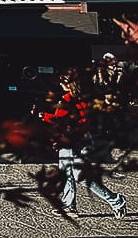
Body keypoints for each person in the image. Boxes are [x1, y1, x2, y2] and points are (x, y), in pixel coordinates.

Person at [43, 72, 127, 219]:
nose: (61, 84)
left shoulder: (67, 99)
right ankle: (69, 206)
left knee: (78, 175)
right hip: (79, 139)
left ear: (69, 84)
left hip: (72, 140)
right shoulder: (82, 98)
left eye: (63, 81)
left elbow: (60, 121)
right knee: (67, 173)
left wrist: (44, 116)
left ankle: (115, 200)